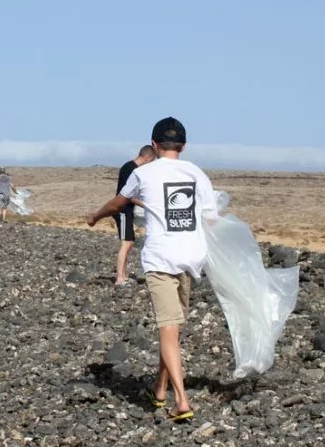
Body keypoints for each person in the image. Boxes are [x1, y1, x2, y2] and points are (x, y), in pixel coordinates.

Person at [87, 117, 216, 423]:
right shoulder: (197, 174)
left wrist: (94, 216)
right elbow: (210, 219)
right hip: (191, 259)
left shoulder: (144, 173)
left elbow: (118, 203)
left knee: (167, 329)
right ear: (183, 146)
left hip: (161, 259)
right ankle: (159, 391)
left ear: (154, 145)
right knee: (171, 328)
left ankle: (182, 401)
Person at [113, 145, 157, 287]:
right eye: (151, 161)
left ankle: (124, 276)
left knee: (129, 242)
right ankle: (120, 278)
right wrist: (146, 205)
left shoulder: (129, 167)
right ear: (148, 157)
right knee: (127, 242)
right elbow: (126, 195)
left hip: (126, 210)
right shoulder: (131, 169)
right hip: (123, 210)